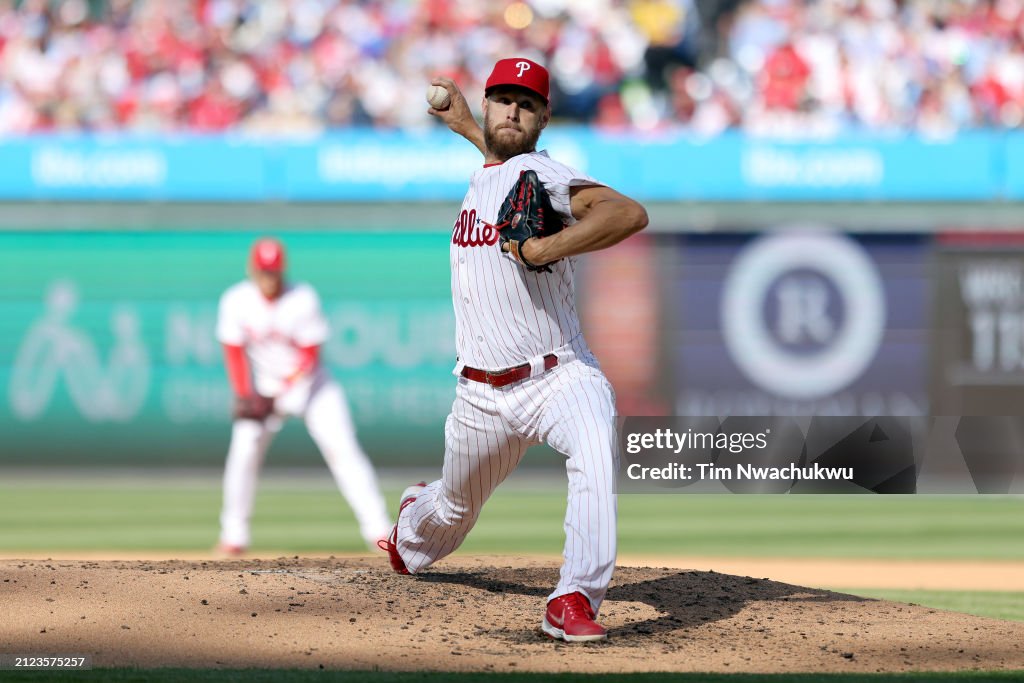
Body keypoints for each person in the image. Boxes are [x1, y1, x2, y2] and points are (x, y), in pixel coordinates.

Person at [378, 58, 648, 642]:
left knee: (596, 451)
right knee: (449, 514)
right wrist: (468, 127)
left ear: (544, 116)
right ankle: (411, 527)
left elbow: (626, 213)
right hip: (479, 396)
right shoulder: (493, 173)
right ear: (489, 103)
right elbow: (500, 154)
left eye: (526, 103)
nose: (513, 110)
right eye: (503, 98)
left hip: (558, 375)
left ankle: (575, 596)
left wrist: (540, 249)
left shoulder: (543, 175)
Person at [215, 237, 392, 556]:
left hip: (313, 388)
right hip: (264, 389)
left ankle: (378, 530)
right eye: (263, 271)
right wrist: (244, 394)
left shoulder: (302, 298)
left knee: (344, 451)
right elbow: (233, 352)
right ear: (252, 270)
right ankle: (234, 535)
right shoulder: (236, 300)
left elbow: (309, 357)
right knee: (242, 453)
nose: (268, 278)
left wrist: (279, 395)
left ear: (282, 271)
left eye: (273, 272)